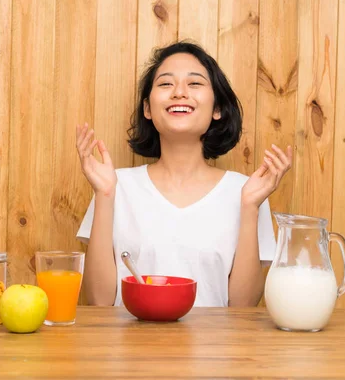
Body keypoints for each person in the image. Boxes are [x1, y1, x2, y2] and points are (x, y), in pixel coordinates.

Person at [76, 41, 292, 307]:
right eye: (166, 84)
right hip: (130, 349)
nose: (179, 92)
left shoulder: (247, 192)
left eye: (195, 84)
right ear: (147, 108)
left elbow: (243, 307)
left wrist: (250, 208)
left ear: (217, 109)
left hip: (215, 349)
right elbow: (98, 301)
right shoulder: (113, 185)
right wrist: (105, 194)